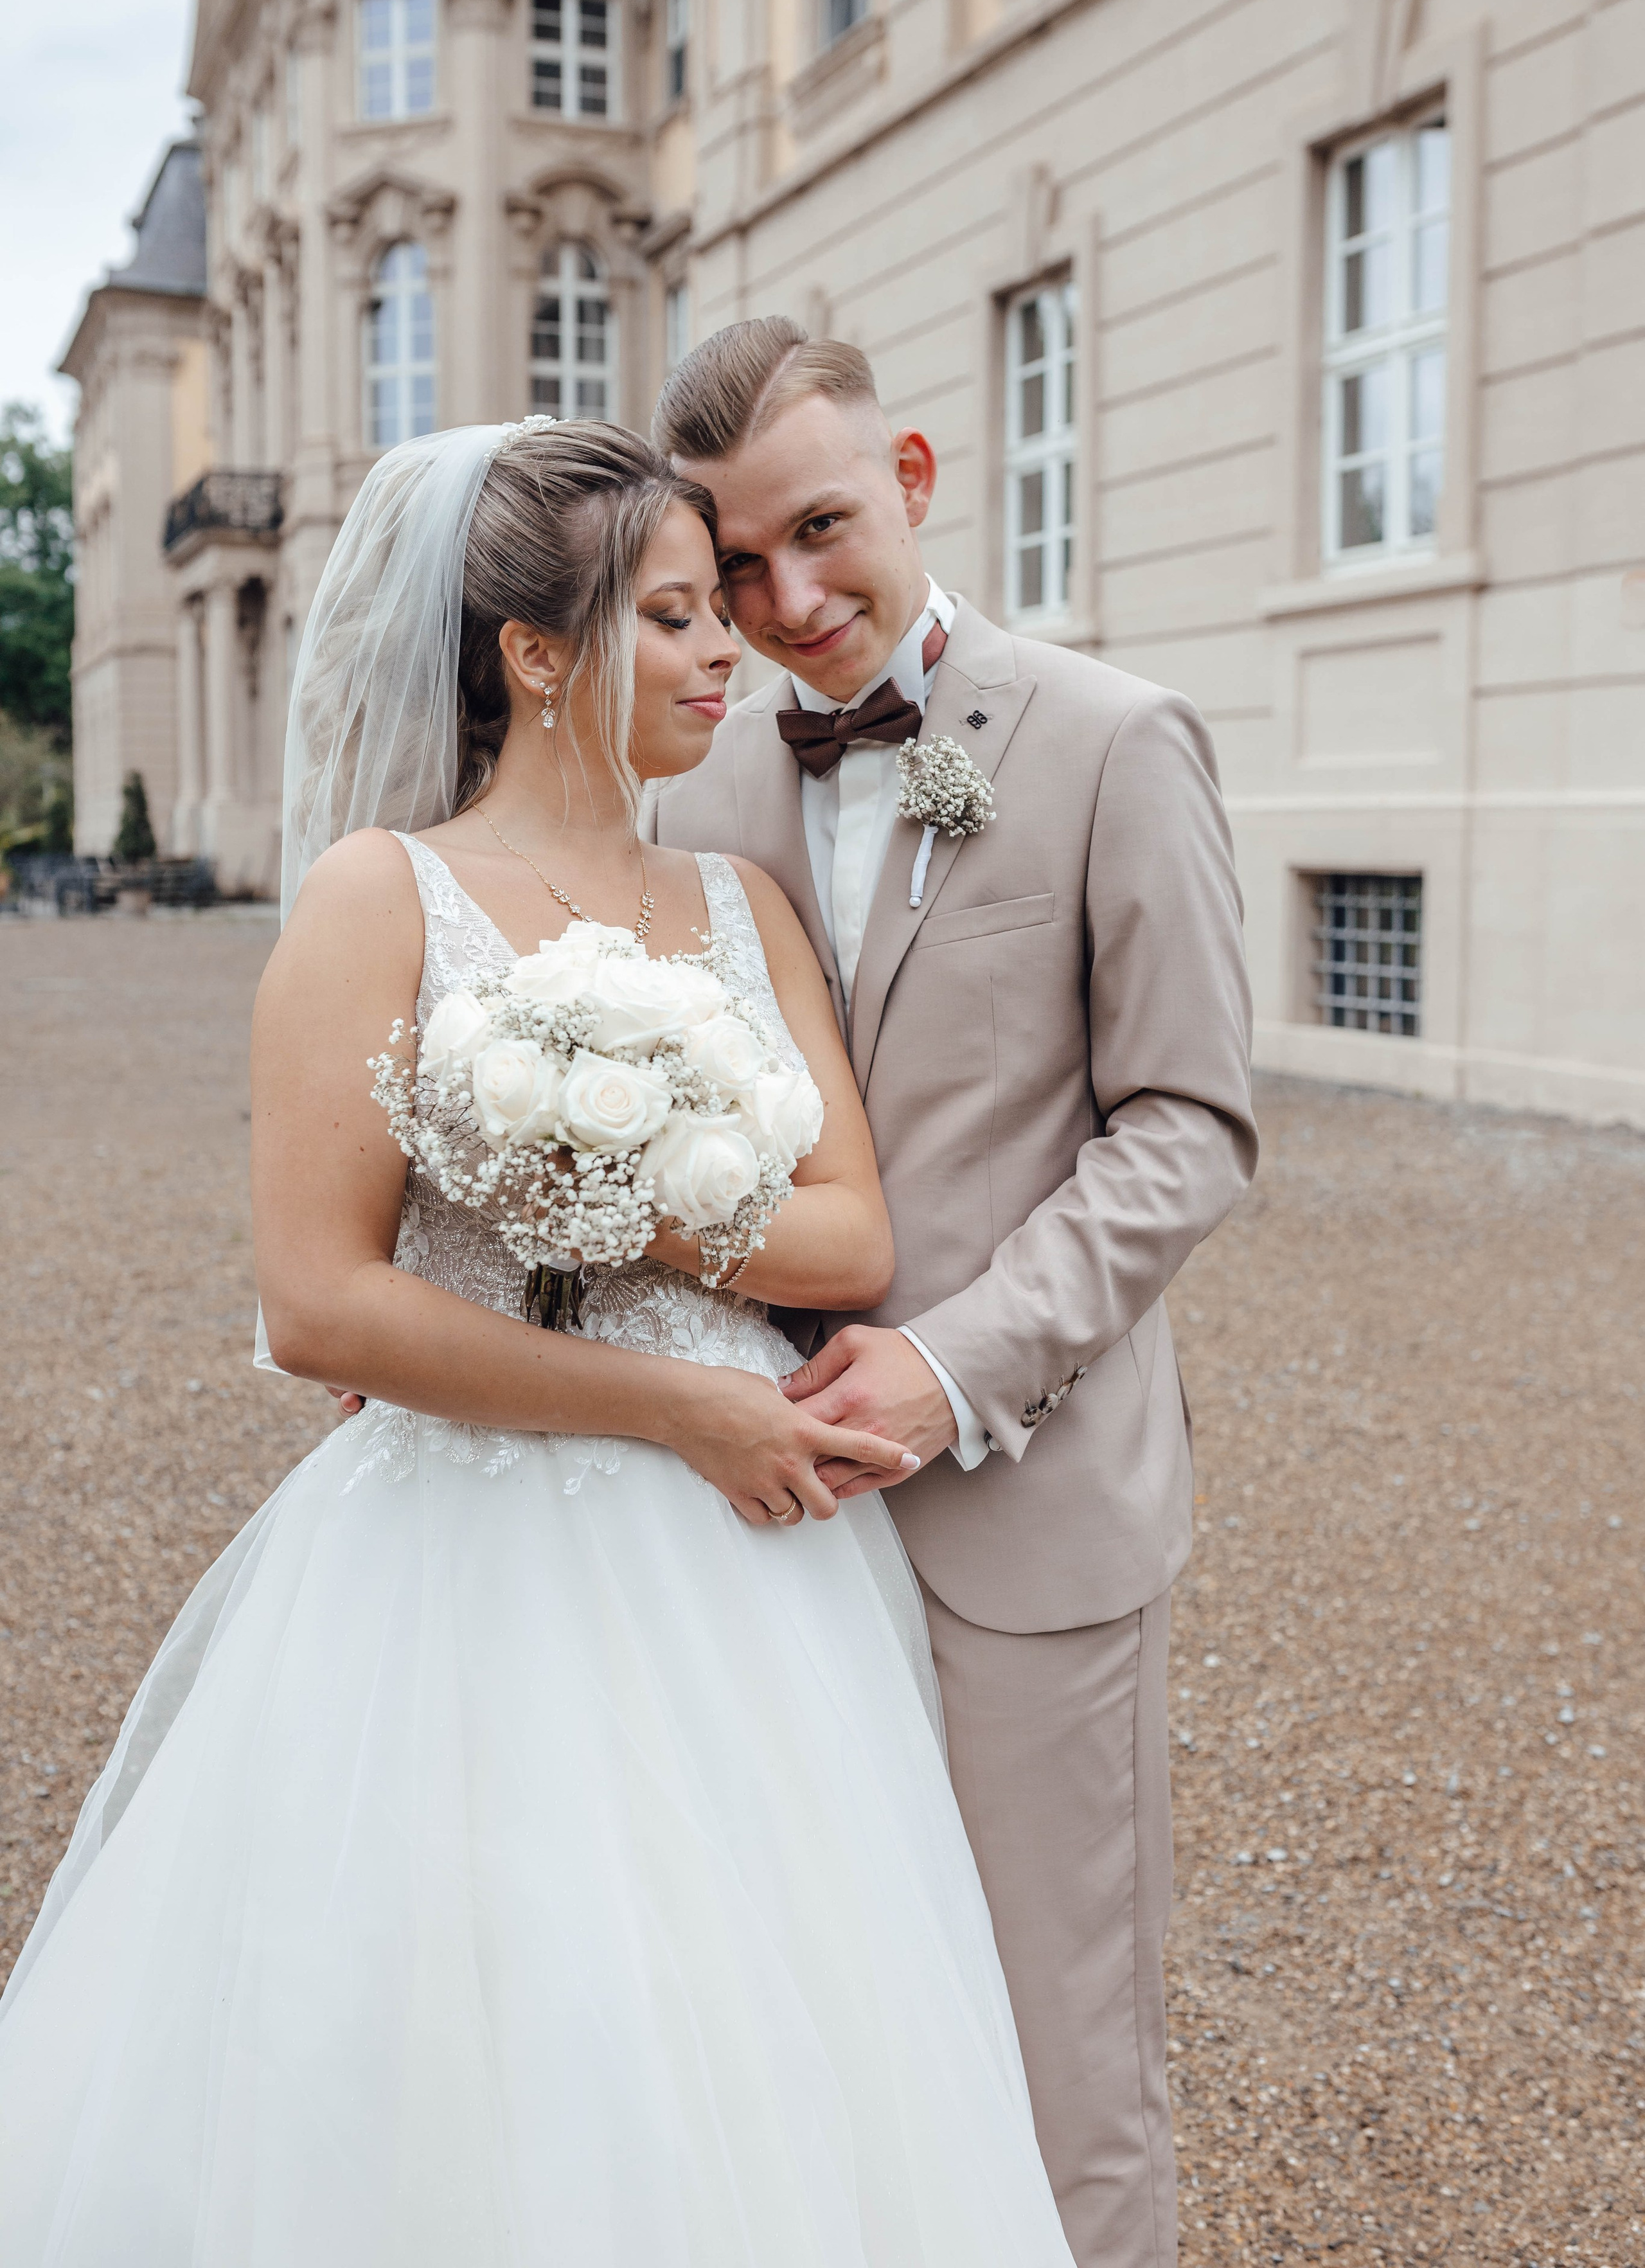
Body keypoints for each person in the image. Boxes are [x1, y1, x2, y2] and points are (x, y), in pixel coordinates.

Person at [0, 419, 1077, 2267]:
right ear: (536, 653)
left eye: (715, 608)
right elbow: (321, 1302)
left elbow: (854, 1229)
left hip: (746, 1587)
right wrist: (676, 1395)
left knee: (763, 2032)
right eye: (672, 614)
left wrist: (606, 1182)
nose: (725, 647)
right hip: (463, 1553)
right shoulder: (375, 897)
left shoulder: (742, 905)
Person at [650, 321, 1259, 2268]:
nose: (789, 603)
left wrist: (951, 1362)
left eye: (823, 530)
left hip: (1033, 1507)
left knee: (1061, 2055)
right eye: (736, 569)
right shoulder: (701, 786)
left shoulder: (1109, 737)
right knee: (820, 2022)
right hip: (757, 1517)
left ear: (913, 480)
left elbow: (1188, 1127)